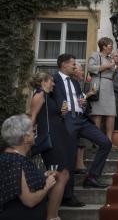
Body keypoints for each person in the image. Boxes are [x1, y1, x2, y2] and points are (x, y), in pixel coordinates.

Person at [52, 54, 111, 193]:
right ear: (64, 64)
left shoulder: (74, 82)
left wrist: (83, 104)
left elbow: (81, 101)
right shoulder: (53, 79)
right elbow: (47, 100)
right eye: (73, 64)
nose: (75, 66)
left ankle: (91, 177)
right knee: (70, 155)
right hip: (67, 119)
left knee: (106, 142)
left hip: (82, 120)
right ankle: (68, 194)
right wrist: (57, 111)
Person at [29, 72, 72, 217]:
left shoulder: (47, 96)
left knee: (63, 175)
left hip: (58, 138)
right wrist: (29, 140)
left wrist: (61, 113)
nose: (53, 84)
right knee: (60, 175)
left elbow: (49, 116)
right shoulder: (39, 95)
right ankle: (52, 216)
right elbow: (32, 119)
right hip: (51, 140)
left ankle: (53, 215)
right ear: (43, 82)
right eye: (51, 81)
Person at [0, 114, 56, 220]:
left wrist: (43, 176)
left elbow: (22, 180)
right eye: (32, 131)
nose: (34, 133)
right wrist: (47, 186)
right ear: (25, 138)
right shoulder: (14, 161)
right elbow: (29, 201)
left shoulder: (12, 158)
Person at [87, 37, 117, 141]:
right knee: (97, 113)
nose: (111, 48)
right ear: (103, 46)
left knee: (111, 113)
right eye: (110, 46)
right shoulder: (95, 55)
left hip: (109, 86)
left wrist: (115, 65)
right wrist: (108, 65)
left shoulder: (109, 58)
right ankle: (97, 140)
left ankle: (109, 140)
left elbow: (112, 73)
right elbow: (90, 68)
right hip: (99, 84)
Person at [72, 63, 87, 174]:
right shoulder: (70, 83)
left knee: (81, 142)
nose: (83, 72)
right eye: (81, 70)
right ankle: (78, 165)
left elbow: (80, 100)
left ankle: (79, 165)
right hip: (72, 116)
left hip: (80, 115)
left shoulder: (78, 83)